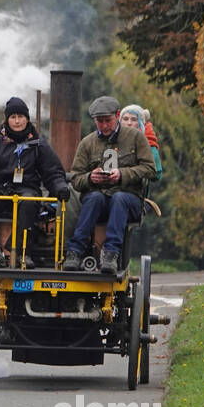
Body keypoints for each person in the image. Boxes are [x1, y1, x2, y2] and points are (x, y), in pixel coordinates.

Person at [0, 97, 71, 269]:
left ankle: (20, 252)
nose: (17, 121)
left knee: (28, 201)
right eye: (13, 117)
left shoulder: (38, 144)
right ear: (6, 120)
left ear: (27, 118)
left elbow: (53, 172)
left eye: (20, 116)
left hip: (26, 190)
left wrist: (60, 187)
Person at [63, 95, 156, 274]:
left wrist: (122, 175)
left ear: (117, 115)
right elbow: (75, 177)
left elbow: (150, 169)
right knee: (94, 198)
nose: (104, 126)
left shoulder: (136, 137)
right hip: (99, 198)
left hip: (129, 198)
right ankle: (75, 252)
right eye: (100, 122)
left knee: (119, 198)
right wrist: (91, 178)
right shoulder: (87, 143)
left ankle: (111, 253)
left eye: (108, 121)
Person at [120, 104, 163, 180]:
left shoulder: (149, 143)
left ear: (141, 123)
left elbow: (157, 174)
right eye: (125, 119)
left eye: (134, 119)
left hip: (136, 187)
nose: (129, 123)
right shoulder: (112, 139)